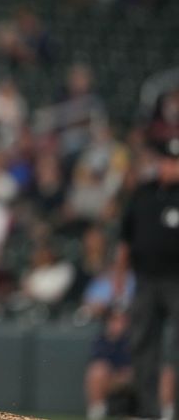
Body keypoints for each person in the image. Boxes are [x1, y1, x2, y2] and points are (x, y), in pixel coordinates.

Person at [114, 137, 179, 419]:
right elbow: (126, 241)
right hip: (146, 281)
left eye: (175, 162)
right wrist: (119, 278)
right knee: (142, 345)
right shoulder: (143, 193)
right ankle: (147, 411)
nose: (170, 166)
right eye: (166, 160)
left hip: (177, 281)